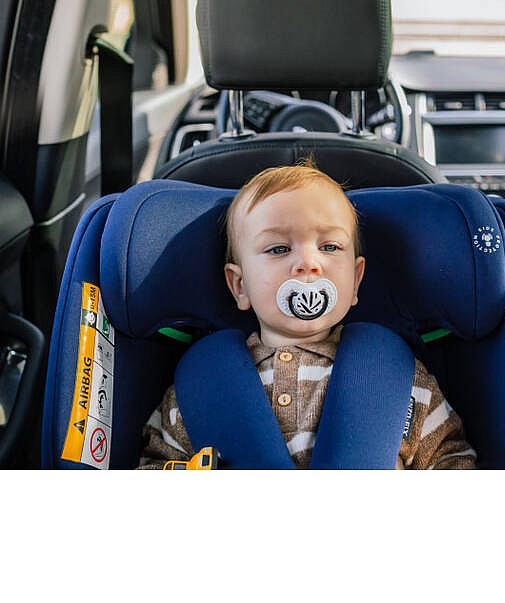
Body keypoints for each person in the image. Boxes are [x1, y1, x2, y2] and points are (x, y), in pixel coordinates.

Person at [138, 163, 477, 469]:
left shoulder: (399, 378)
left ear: (355, 279)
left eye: (329, 247)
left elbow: (450, 459)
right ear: (240, 286)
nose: (308, 263)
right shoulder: (199, 387)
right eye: (279, 249)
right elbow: (156, 464)